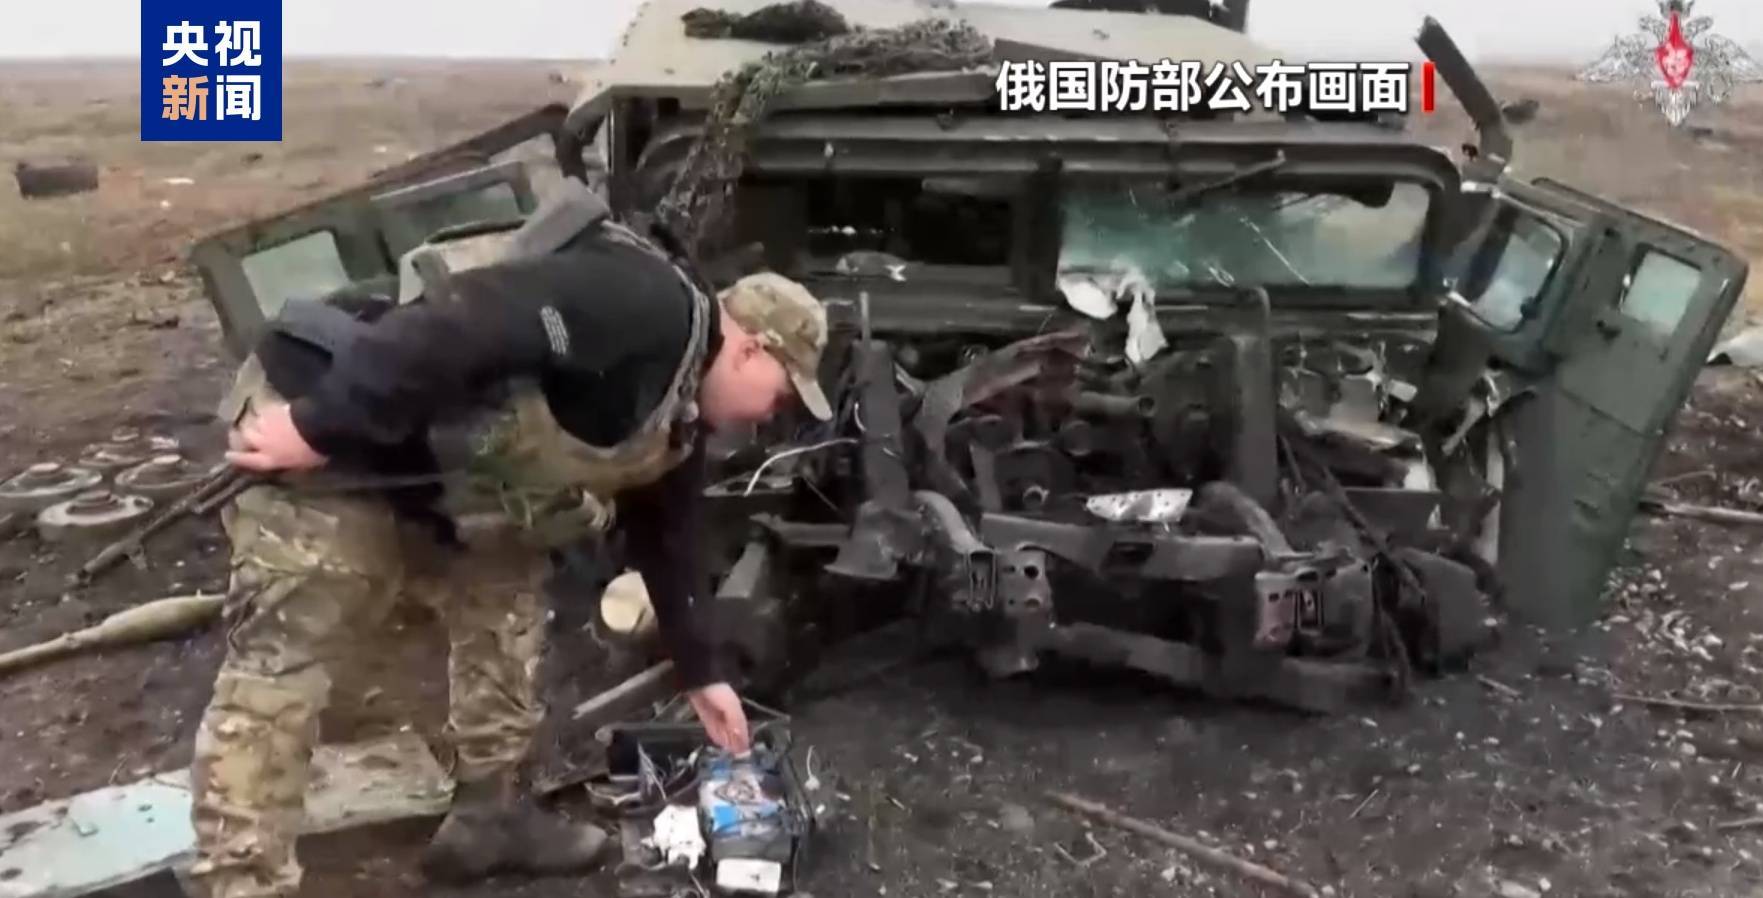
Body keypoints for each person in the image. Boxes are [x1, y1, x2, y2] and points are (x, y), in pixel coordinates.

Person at [183, 202, 833, 898]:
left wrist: (702, 673)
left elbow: (668, 536)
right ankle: (242, 883)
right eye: (780, 396)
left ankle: (488, 822)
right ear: (750, 349)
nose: (773, 417)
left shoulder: (677, 407)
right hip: (335, 424)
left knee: (505, 590)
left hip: (439, 464)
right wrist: (316, 425)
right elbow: (465, 316)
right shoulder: (646, 304)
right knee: (288, 660)